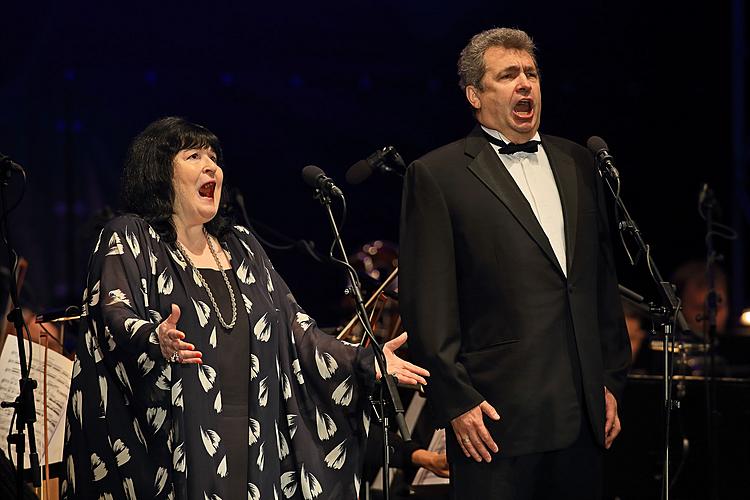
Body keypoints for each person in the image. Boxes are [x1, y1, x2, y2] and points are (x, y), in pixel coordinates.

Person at [61, 117, 428, 499]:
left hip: (256, 443)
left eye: (214, 157)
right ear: (158, 172)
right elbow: (114, 313)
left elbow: (298, 330)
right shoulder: (133, 235)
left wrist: (367, 360)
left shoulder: (241, 245)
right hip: (173, 445)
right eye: (193, 155)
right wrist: (156, 337)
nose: (211, 166)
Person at [399, 28, 631, 499]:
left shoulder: (580, 163)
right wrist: (456, 400)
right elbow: (428, 305)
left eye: (531, 73)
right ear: (474, 95)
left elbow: (598, 283)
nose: (525, 83)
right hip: (495, 421)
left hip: (582, 417)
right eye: (508, 75)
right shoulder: (438, 175)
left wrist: (609, 381)